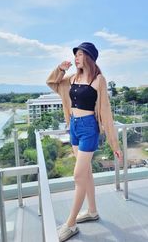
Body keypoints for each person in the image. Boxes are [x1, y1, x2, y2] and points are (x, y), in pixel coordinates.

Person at [46, 42, 122, 242]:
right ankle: (92, 211)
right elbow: (52, 83)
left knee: (78, 176)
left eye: (79, 55)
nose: (76, 58)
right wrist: (60, 69)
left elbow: (105, 111)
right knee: (86, 172)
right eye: (75, 55)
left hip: (89, 128)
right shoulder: (72, 78)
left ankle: (70, 224)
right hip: (74, 126)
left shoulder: (98, 80)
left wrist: (115, 144)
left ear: (88, 57)